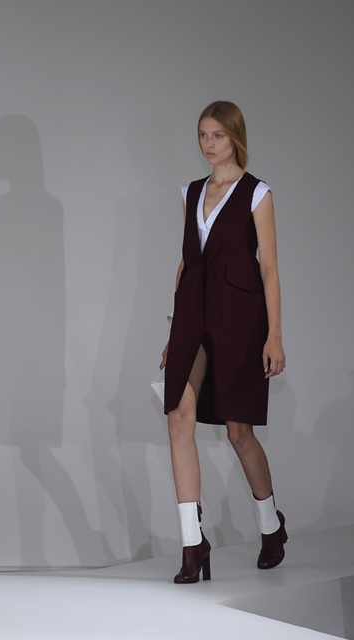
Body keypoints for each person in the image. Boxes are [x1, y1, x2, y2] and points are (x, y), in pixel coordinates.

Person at [160, 101, 287, 584]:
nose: (208, 144)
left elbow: (269, 268)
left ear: (235, 137)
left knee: (239, 432)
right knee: (178, 416)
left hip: (240, 319)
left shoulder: (258, 194)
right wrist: (174, 331)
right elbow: (187, 262)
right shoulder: (191, 192)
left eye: (217, 135)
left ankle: (270, 525)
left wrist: (275, 335)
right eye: (202, 134)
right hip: (193, 315)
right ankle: (193, 544)